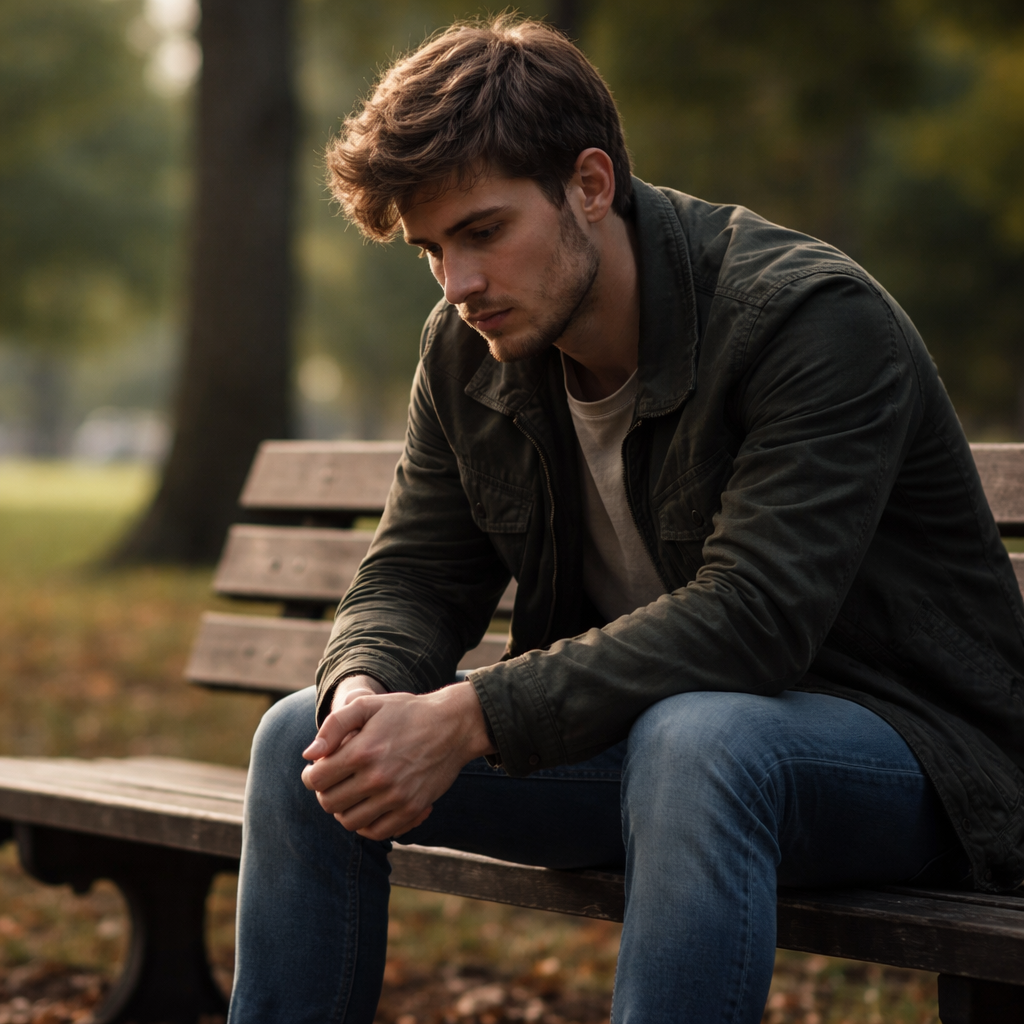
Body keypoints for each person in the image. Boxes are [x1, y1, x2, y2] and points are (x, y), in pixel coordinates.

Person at [227, 16, 1024, 1023]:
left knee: (701, 738)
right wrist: (362, 692)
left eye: (483, 231)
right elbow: (414, 573)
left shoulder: (809, 320)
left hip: (918, 767)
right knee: (301, 744)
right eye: (431, 250)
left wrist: (470, 716)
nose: (458, 284)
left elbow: (753, 618)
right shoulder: (469, 348)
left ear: (591, 185)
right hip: (655, 753)